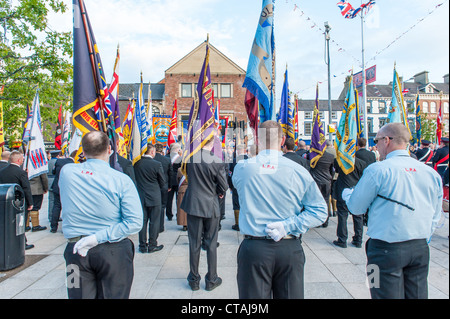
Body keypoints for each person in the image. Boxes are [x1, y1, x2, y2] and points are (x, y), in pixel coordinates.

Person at [344, 123, 443, 299]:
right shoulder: (430, 173)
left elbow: (355, 207)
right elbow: (436, 214)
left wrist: (347, 195)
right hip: (419, 247)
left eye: (377, 141)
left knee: (378, 292)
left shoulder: (378, 170)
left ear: (387, 140)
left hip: (383, 248)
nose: (376, 146)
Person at [232, 121, 328, 299]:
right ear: (283, 140)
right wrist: (289, 225)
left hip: (255, 247)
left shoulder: (242, 168)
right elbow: (320, 211)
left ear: (258, 141)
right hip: (288, 246)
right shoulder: (299, 170)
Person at [60, 131, 143, 299]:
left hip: (75, 251)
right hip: (112, 251)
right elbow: (134, 222)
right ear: (110, 149)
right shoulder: (121, 180)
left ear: (82, 151)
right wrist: (97, 238)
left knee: (77, 296)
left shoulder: (66, 172)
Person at [180, 133, 228, 292]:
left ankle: (194, 280)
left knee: (194, 243)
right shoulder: (216, 160)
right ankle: (211, 279)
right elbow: (224, 186)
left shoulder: (190, 158)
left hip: (193, 204)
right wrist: (219, 191)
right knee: (211, 243)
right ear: (213, 142)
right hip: (210, 204)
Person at [134, 144, 166, 253]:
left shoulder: (136, 164)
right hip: (154, 197)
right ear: (152, 152)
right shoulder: (156, 164)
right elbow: (163, 182)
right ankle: (152, 244)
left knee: (143, 222)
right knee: (154, 222)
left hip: (141, 196)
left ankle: (142, 245)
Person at [0, 151, 35, 250]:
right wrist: (30, 203)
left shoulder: (2, 171)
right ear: (19, 160)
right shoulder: (21, 172)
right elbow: (26, 188)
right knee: (20, 223)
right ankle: (22, 243)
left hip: (5, 201)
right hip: (19, 202)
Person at [332, 157, 368, 248]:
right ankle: (358, 240)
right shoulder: (361, 162)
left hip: (343, 189)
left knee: (342, 215)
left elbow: (336, 170)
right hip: (355, 189)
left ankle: (342, 239)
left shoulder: (339, 160)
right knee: (358, 215)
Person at [308, 142, 335, 228]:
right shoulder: (330, 156)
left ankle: (318, 221)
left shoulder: (313, 155)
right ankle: (325, 221)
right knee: (326, 201)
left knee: (316, 202)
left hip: (316, 181)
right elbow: (332, 170)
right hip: (326, 181)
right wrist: (330, 178)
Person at [50, 150, 76, 233]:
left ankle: (53, 227)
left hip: (57, 186)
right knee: (67, 207)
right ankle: (65, 227)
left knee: (56, 206)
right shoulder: (73, 165)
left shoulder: (59, 161)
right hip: (67, 188)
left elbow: (53, 172)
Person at [228, 144, 248, 231]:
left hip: (236, 185)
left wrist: (230, 186)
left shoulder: (234, 161)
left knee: (236, 204)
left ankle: (237, 224)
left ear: (238, 151)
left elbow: (229, 174)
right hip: (247, 185)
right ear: (245, 150)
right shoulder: (250, 160)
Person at [154, 143, 173, 233]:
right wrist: (169, 186)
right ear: (162, 150)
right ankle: (160, 227)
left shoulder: (152, 159)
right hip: (164, 186)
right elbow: (170, 174)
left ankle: (153, 225)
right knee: (162, 207)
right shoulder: (167, 160)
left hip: (153, 186)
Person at [166, 143, 183, 221]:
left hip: (169, 180)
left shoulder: (166, 157)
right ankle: (178, 214)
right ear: (177, 149)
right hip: (177, 180)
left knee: (169, 199)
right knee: (178, 199)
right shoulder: (179, 158)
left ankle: (169, 214)